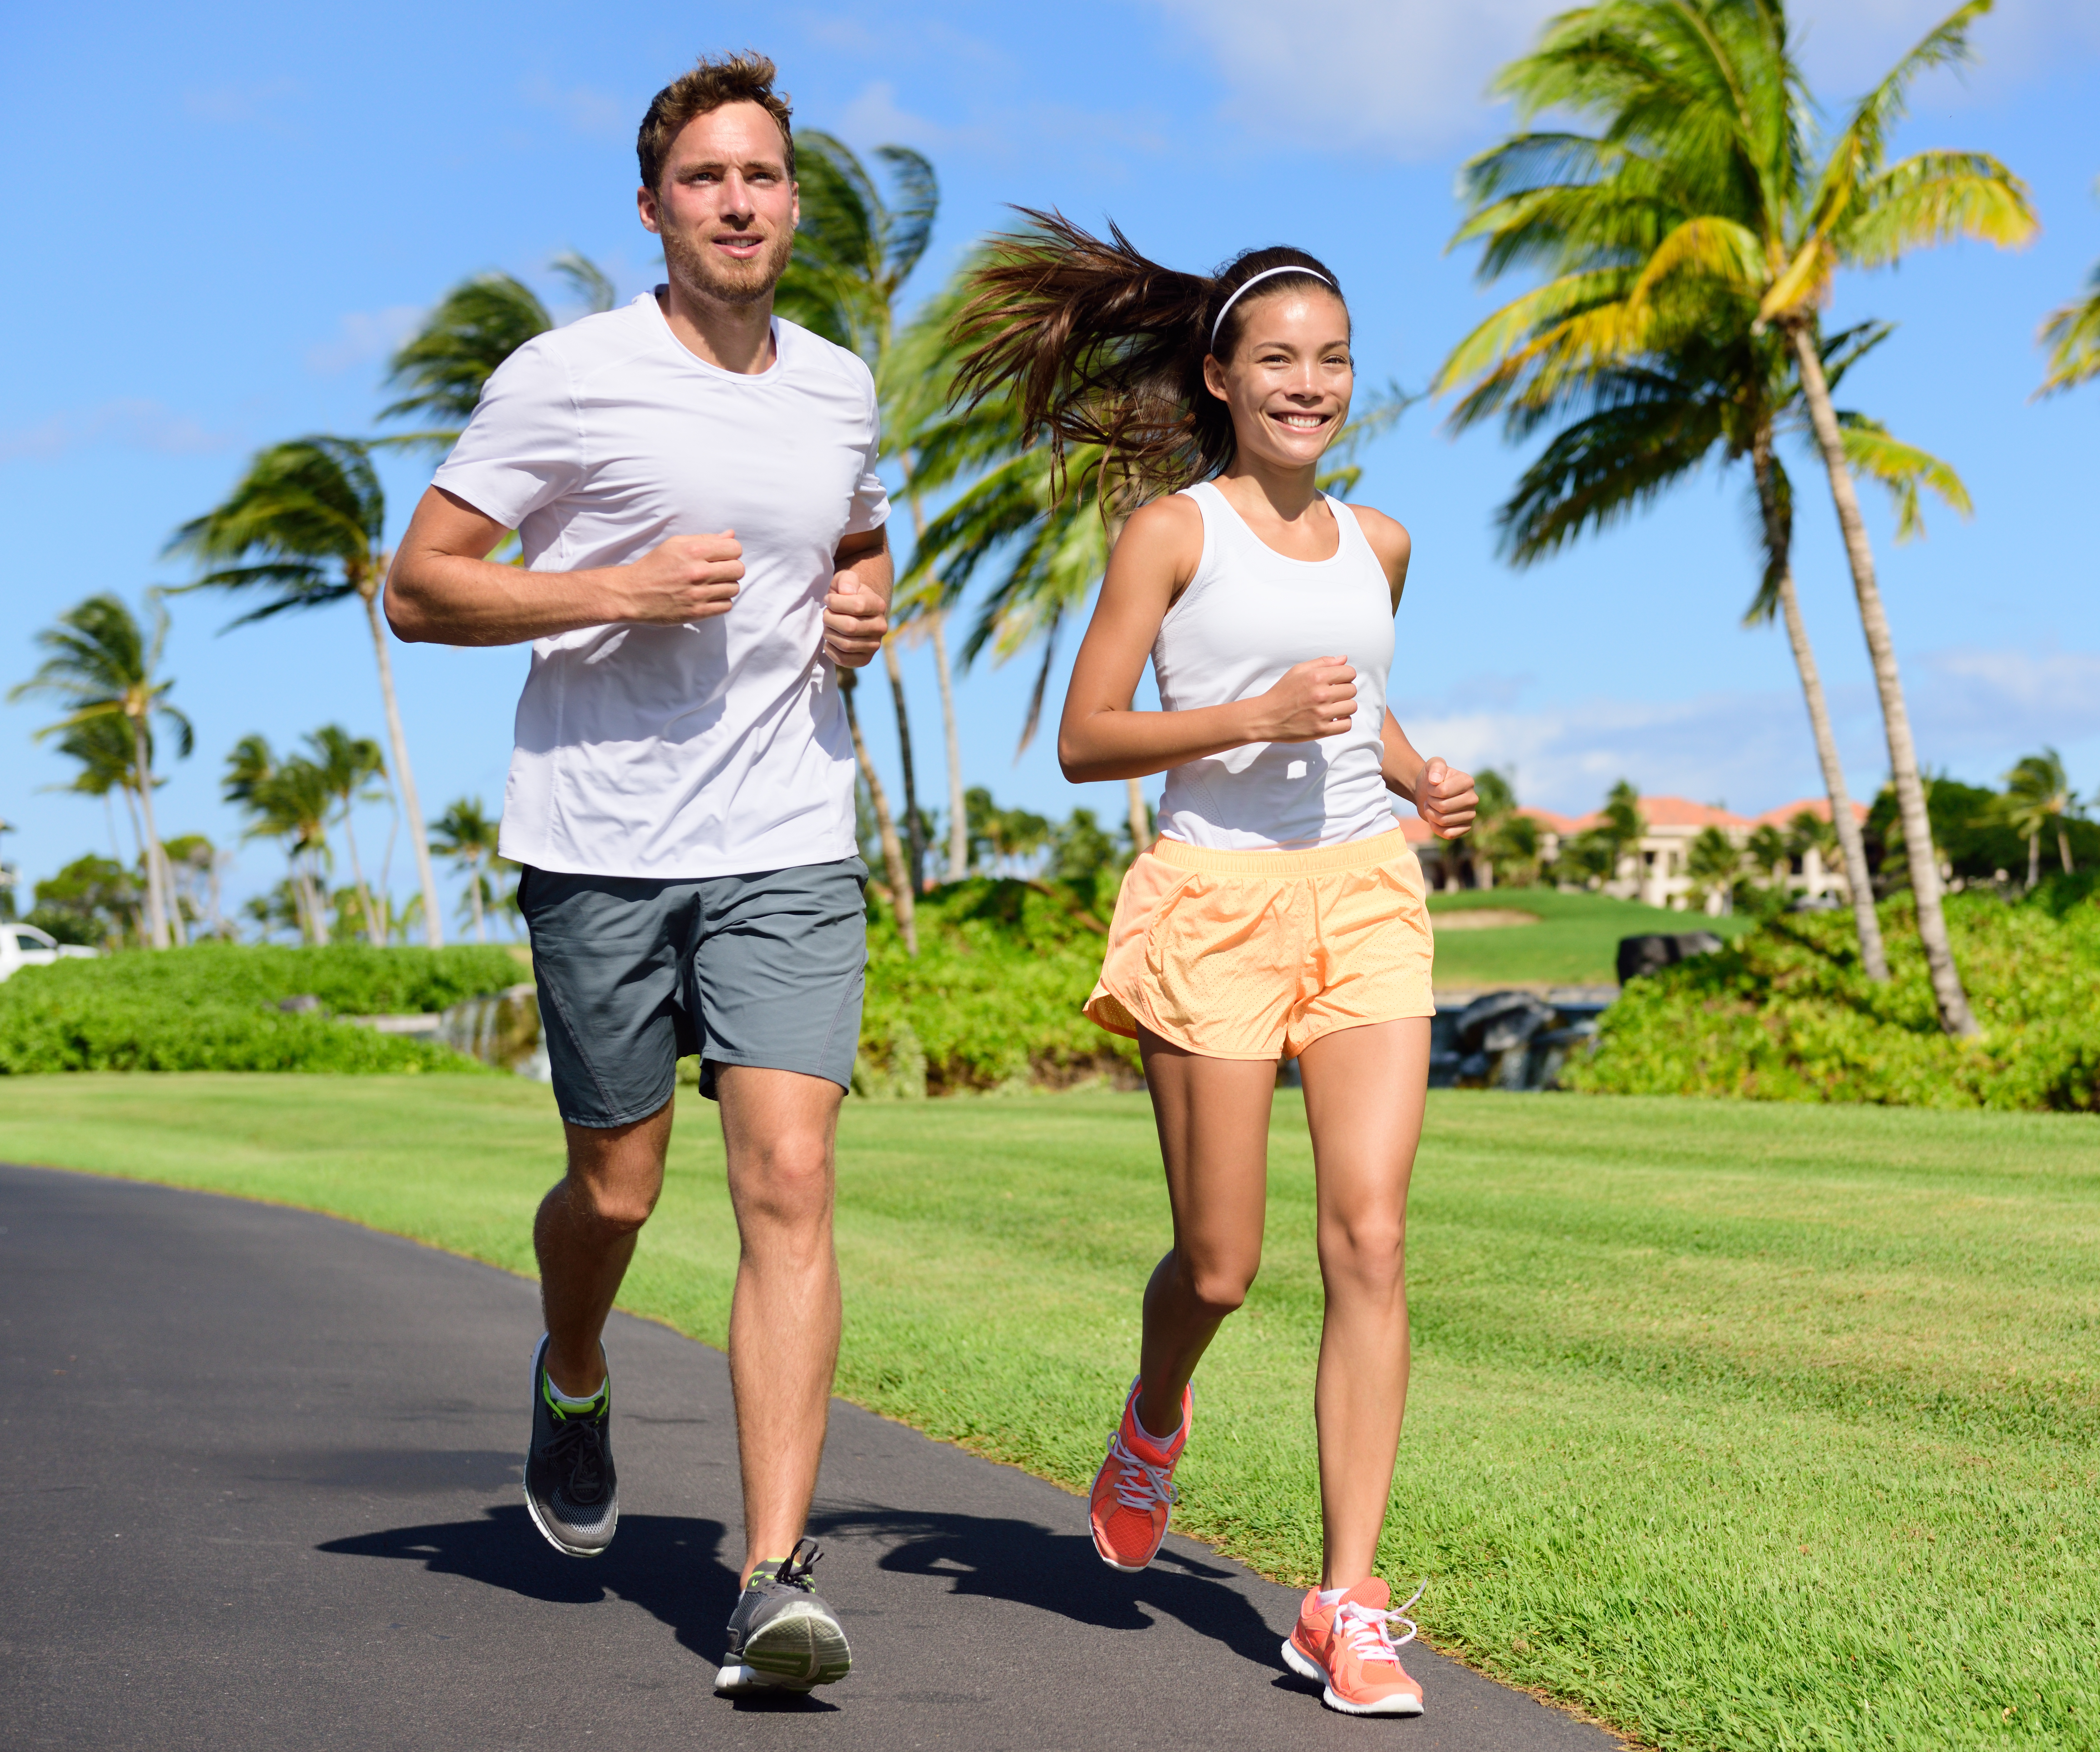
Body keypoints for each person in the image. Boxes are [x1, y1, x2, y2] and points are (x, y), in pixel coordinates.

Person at [386, 53, 886, 1697]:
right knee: (616, 1189)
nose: (739, 203)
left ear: (791, 201)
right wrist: (613, 588)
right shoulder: (567, 377)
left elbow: (852, 531)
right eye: (705, 181)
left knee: (790, 1182)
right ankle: (578, 1365)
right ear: (655, 210)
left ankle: (773, 1576)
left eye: (762, 176)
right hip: (601, 842)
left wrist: (862, 608)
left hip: (789, 838)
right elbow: (422, 588)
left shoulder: (835, 384)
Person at [952, 214, 1479, 1719]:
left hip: (1365, 896)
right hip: (1214, 907)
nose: (1309, 384)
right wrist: (1248, 716)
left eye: (1333, 361)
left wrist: (1415, 773)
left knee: (1370, 1239)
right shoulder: (1172, 532)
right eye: (1279, 361)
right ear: (1222, 378)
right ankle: (1154, 1411)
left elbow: (1359, 698)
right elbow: (1084, 737)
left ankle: (1347, 1601)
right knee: (1223, 1262)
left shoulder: (1380, 541)